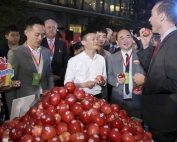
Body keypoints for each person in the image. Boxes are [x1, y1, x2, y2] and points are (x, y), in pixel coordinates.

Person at [133, 0, 177, 141]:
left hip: (165, 120)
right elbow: (155, 71)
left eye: (152, 15)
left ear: (162, 16)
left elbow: (174, 83)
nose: (149, 19)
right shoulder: (165, 40)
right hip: (158, 117)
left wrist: (146, 81)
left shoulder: (173, 41)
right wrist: (146, 46)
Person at [6, 17, 54, 115]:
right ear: (26, 33)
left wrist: (51, 93)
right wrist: (13, 110)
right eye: (37, 35)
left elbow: (49, 74)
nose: (40, 38)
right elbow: (8, 84)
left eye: (42, 35)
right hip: (24, 103)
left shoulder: (46, 52)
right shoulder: (15, 53)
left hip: (44, 101)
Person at [107, 29, 145, 119]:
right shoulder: (111, 58)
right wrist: (116, 80)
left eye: (128, 37)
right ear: (117, 42)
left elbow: (148, 75)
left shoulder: (141, 55)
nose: (125, 40)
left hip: (136, 101)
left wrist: (143, 86)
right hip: (117, 101)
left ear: (132, 39)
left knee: (137, 130)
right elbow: (108, 76)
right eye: (121, 38)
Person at [64, 29, 107, 99]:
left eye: (96, 39)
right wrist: (84, 85)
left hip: (98, 96)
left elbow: (104, 80)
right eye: (93, 39)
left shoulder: (101, 59)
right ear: (83, 42)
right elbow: (67, 84)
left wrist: (101, 82)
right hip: (80, 96)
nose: (96, 41)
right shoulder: (73, 61)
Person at [0, 25, 20, 120]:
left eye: (17, 35)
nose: (15, 37)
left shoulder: (23, 50)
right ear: (6, 36)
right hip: (4, 87)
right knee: (8, 114)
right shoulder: (1, 50)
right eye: (12, 35)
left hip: (20, 87)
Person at [41, 19, 68, 87]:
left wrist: (59, 76)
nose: (51, 29)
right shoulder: (40, 43)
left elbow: (65, 62)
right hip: (43, 80)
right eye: (49, 27)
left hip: (58, 82)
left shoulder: (62, 44)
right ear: (44, 29)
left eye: (54, 27)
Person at [95, 26, 111, 101]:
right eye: (98, 36)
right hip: (90, 89)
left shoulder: (108, 55)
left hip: (103, 90)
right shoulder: (89, 53)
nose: (101, 39)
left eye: (104, 36)